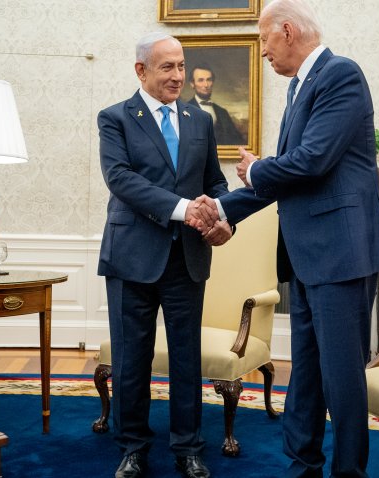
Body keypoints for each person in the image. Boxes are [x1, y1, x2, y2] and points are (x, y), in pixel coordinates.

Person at [189, 0, 379, 475]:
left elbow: (312, 160)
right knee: (304, 375)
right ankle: (301, 467)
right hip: (305, 257)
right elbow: (285, 180)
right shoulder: (298, 90)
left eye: (263, 39)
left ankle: (348, 472)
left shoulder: (341, 75)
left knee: (341, 381)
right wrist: (219, 209)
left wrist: (257, 167)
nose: (263, 51)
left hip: (342, 256)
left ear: (286, 30)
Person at [97, 31, 233, 478]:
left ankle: (188, 448)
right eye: (167, 68)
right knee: (131, 359)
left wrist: (222, 217)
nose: (178, 76)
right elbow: (121, 179)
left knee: (185, 359)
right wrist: (184, 210)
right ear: (141, 70)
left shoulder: (200, 120)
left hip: (186, 260)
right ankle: (132, 447)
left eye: (181, 66)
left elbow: (214, 183)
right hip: (131, 256)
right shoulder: (115, 118)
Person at [186, 64, 246, 145]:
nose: (206, 85)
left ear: (213, 82)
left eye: (209, 80)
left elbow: (237, 141)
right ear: (192, 84)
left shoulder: (223, 113)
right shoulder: (184, 110)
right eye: (201, 80)